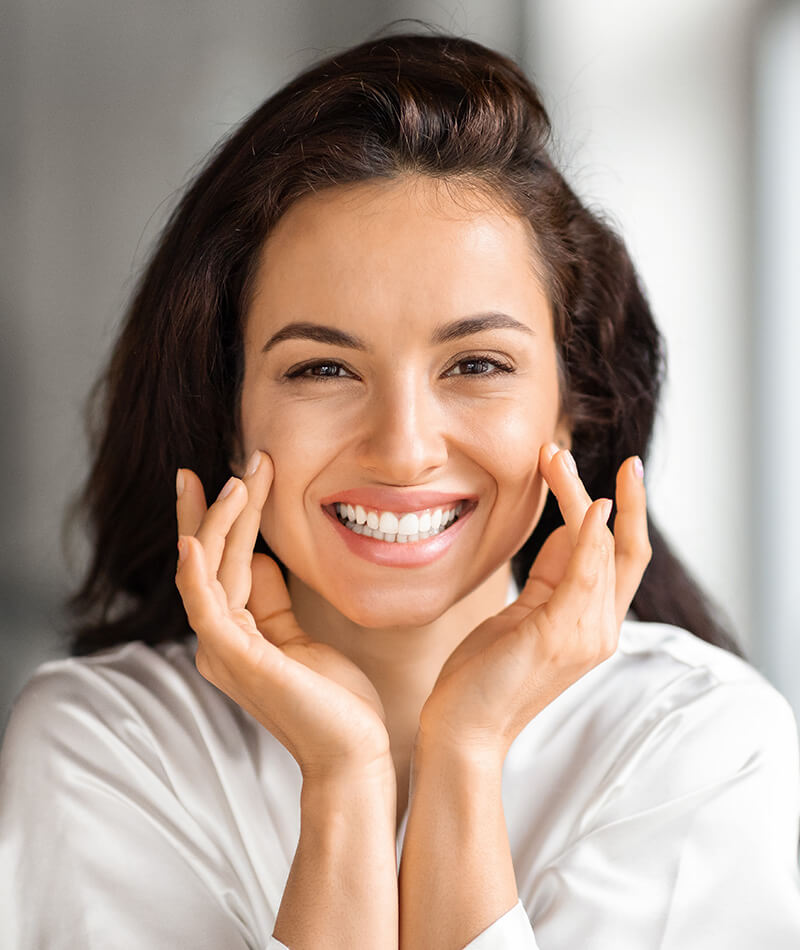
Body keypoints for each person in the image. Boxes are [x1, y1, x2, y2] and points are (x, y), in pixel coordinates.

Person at [1, 27, 799, 950]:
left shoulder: (698, 742)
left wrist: (466, 752)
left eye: (476, 364)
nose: (404, 450)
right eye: (322, 369)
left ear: (570, 410)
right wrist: (343, 778)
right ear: (228, 413)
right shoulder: (107, 745)